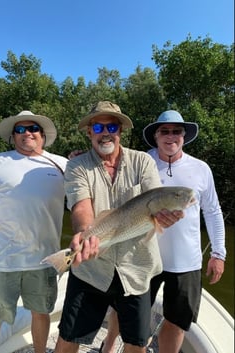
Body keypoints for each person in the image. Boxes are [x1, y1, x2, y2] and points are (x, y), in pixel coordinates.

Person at [53, 101, 184, 353]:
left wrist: (165, 215)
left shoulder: (143, 162)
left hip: (136, 267)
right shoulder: (76, 165)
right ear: (89, 131)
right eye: (98, 126)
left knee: (136, 343)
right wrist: (84, 232)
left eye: (112, 125)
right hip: (92, 269)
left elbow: (154, 199)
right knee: (68, 337)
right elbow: (81, 206)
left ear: (120, 130)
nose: (105, 132)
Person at [101, 110, 226, 353]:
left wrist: (218, 253)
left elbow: (213, 211)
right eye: (164, 131)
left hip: (185, 262)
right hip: (142, 256)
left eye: (176, 131)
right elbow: (105, 172)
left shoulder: (201, 169)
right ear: (156, 136)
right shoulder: (138, 162)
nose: (171, 136)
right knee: (123, 311)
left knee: (177, 321)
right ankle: (107, 348)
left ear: (184, 136)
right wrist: (73, 157)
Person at [0, 110, 68, 353]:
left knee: (41, 313)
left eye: (32, 128)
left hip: (45, 260)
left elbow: (85, 198)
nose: (27, 133)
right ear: (13, 136)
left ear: (42, 135)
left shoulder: (62, 164)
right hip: (4, 261)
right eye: (20, 130)